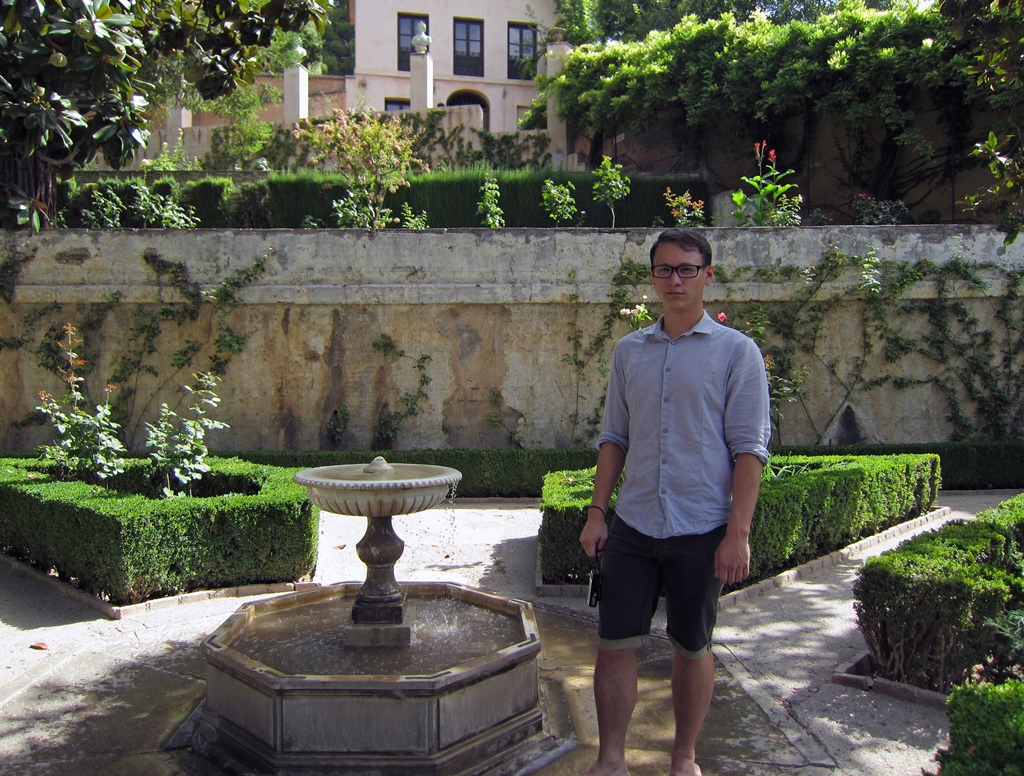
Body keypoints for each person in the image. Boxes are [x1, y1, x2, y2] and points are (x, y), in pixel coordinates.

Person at [579, 228, 771, 776]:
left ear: (707, 276)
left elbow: (749, 449)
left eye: (686, 269)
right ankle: (610, 758)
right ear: (653, 277)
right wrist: (598, 512)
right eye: (664, 269)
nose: (675, 280)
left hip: (702, 526)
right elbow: (614, 437)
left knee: (692, 646)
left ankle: (683, 756)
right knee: (613, 644)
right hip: (635, 524)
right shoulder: (629, 351)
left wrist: (739, 532)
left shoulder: (737, 353)